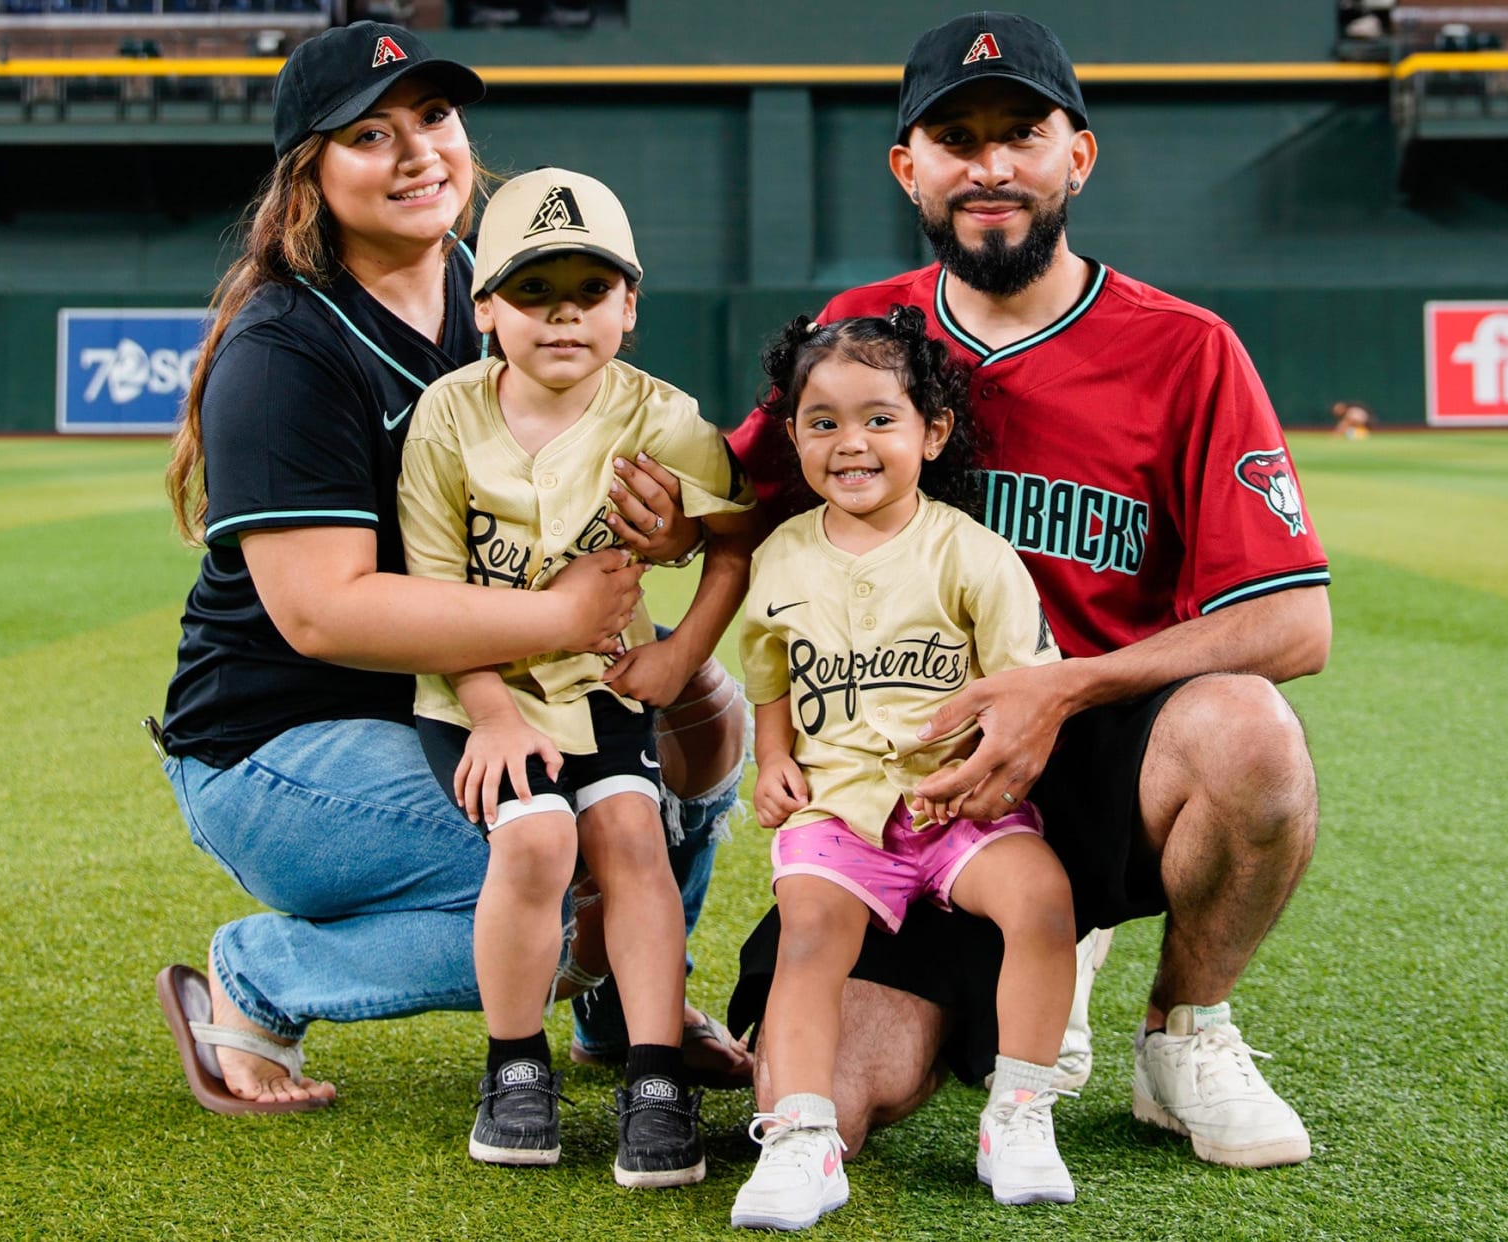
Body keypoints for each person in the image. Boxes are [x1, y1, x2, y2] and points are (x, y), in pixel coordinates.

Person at [724, 12, 1332, 1169]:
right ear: (910, 168)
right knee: (830, 1098)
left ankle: (1184, 1029)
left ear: (1077, 155)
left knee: (1251, 731)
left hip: (1101, 760)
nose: (989, 166)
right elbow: (735, 506)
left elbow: (1295, 623)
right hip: (902, 785)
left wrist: (1060, 692)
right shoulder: (864, 342)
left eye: (1021, 133)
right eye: (954, 138)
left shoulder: (1185, 349)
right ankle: (1017, 979)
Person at [150, 22, 748, 1124]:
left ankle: (620, 1008)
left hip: (470, 696)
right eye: (370, 135)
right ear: (310, 177)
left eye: (433, 118)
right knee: (561, 870)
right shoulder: (287, 349)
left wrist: (661, 534)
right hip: (280, 743)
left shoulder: (501, 286)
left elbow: (603, 480)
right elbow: (321, 612)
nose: (418, 150)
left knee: (705, 722)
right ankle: (260, 978)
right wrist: (556, 616)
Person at [396, 167, 756, 1185]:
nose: (564, 315)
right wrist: (489, 714)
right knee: (541, 837)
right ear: (486, 307)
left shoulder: (660, 413)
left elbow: (736, 536)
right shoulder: (447, 416)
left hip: (598, 686)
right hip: (470, 689)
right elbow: (429, 591)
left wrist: (683, 653)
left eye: (591, 291)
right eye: (533, 290)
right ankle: (515, 1066)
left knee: (635, 838)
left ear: (629, 307)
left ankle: (652, 1074)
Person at [728, 310, 1078, 1230]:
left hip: (958, 805)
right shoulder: (777, 559)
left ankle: (1021, 1113)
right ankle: (803, 1141)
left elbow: (1023, 690)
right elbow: (767, 679)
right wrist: (771, 759)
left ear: (933, 431)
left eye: (881, 418)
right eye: (824, 420)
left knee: (1041, 899)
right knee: (809, 935)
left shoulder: (969, 552)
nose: (852, 443)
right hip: (839, 812)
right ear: (794, 434)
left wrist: (988, 781)